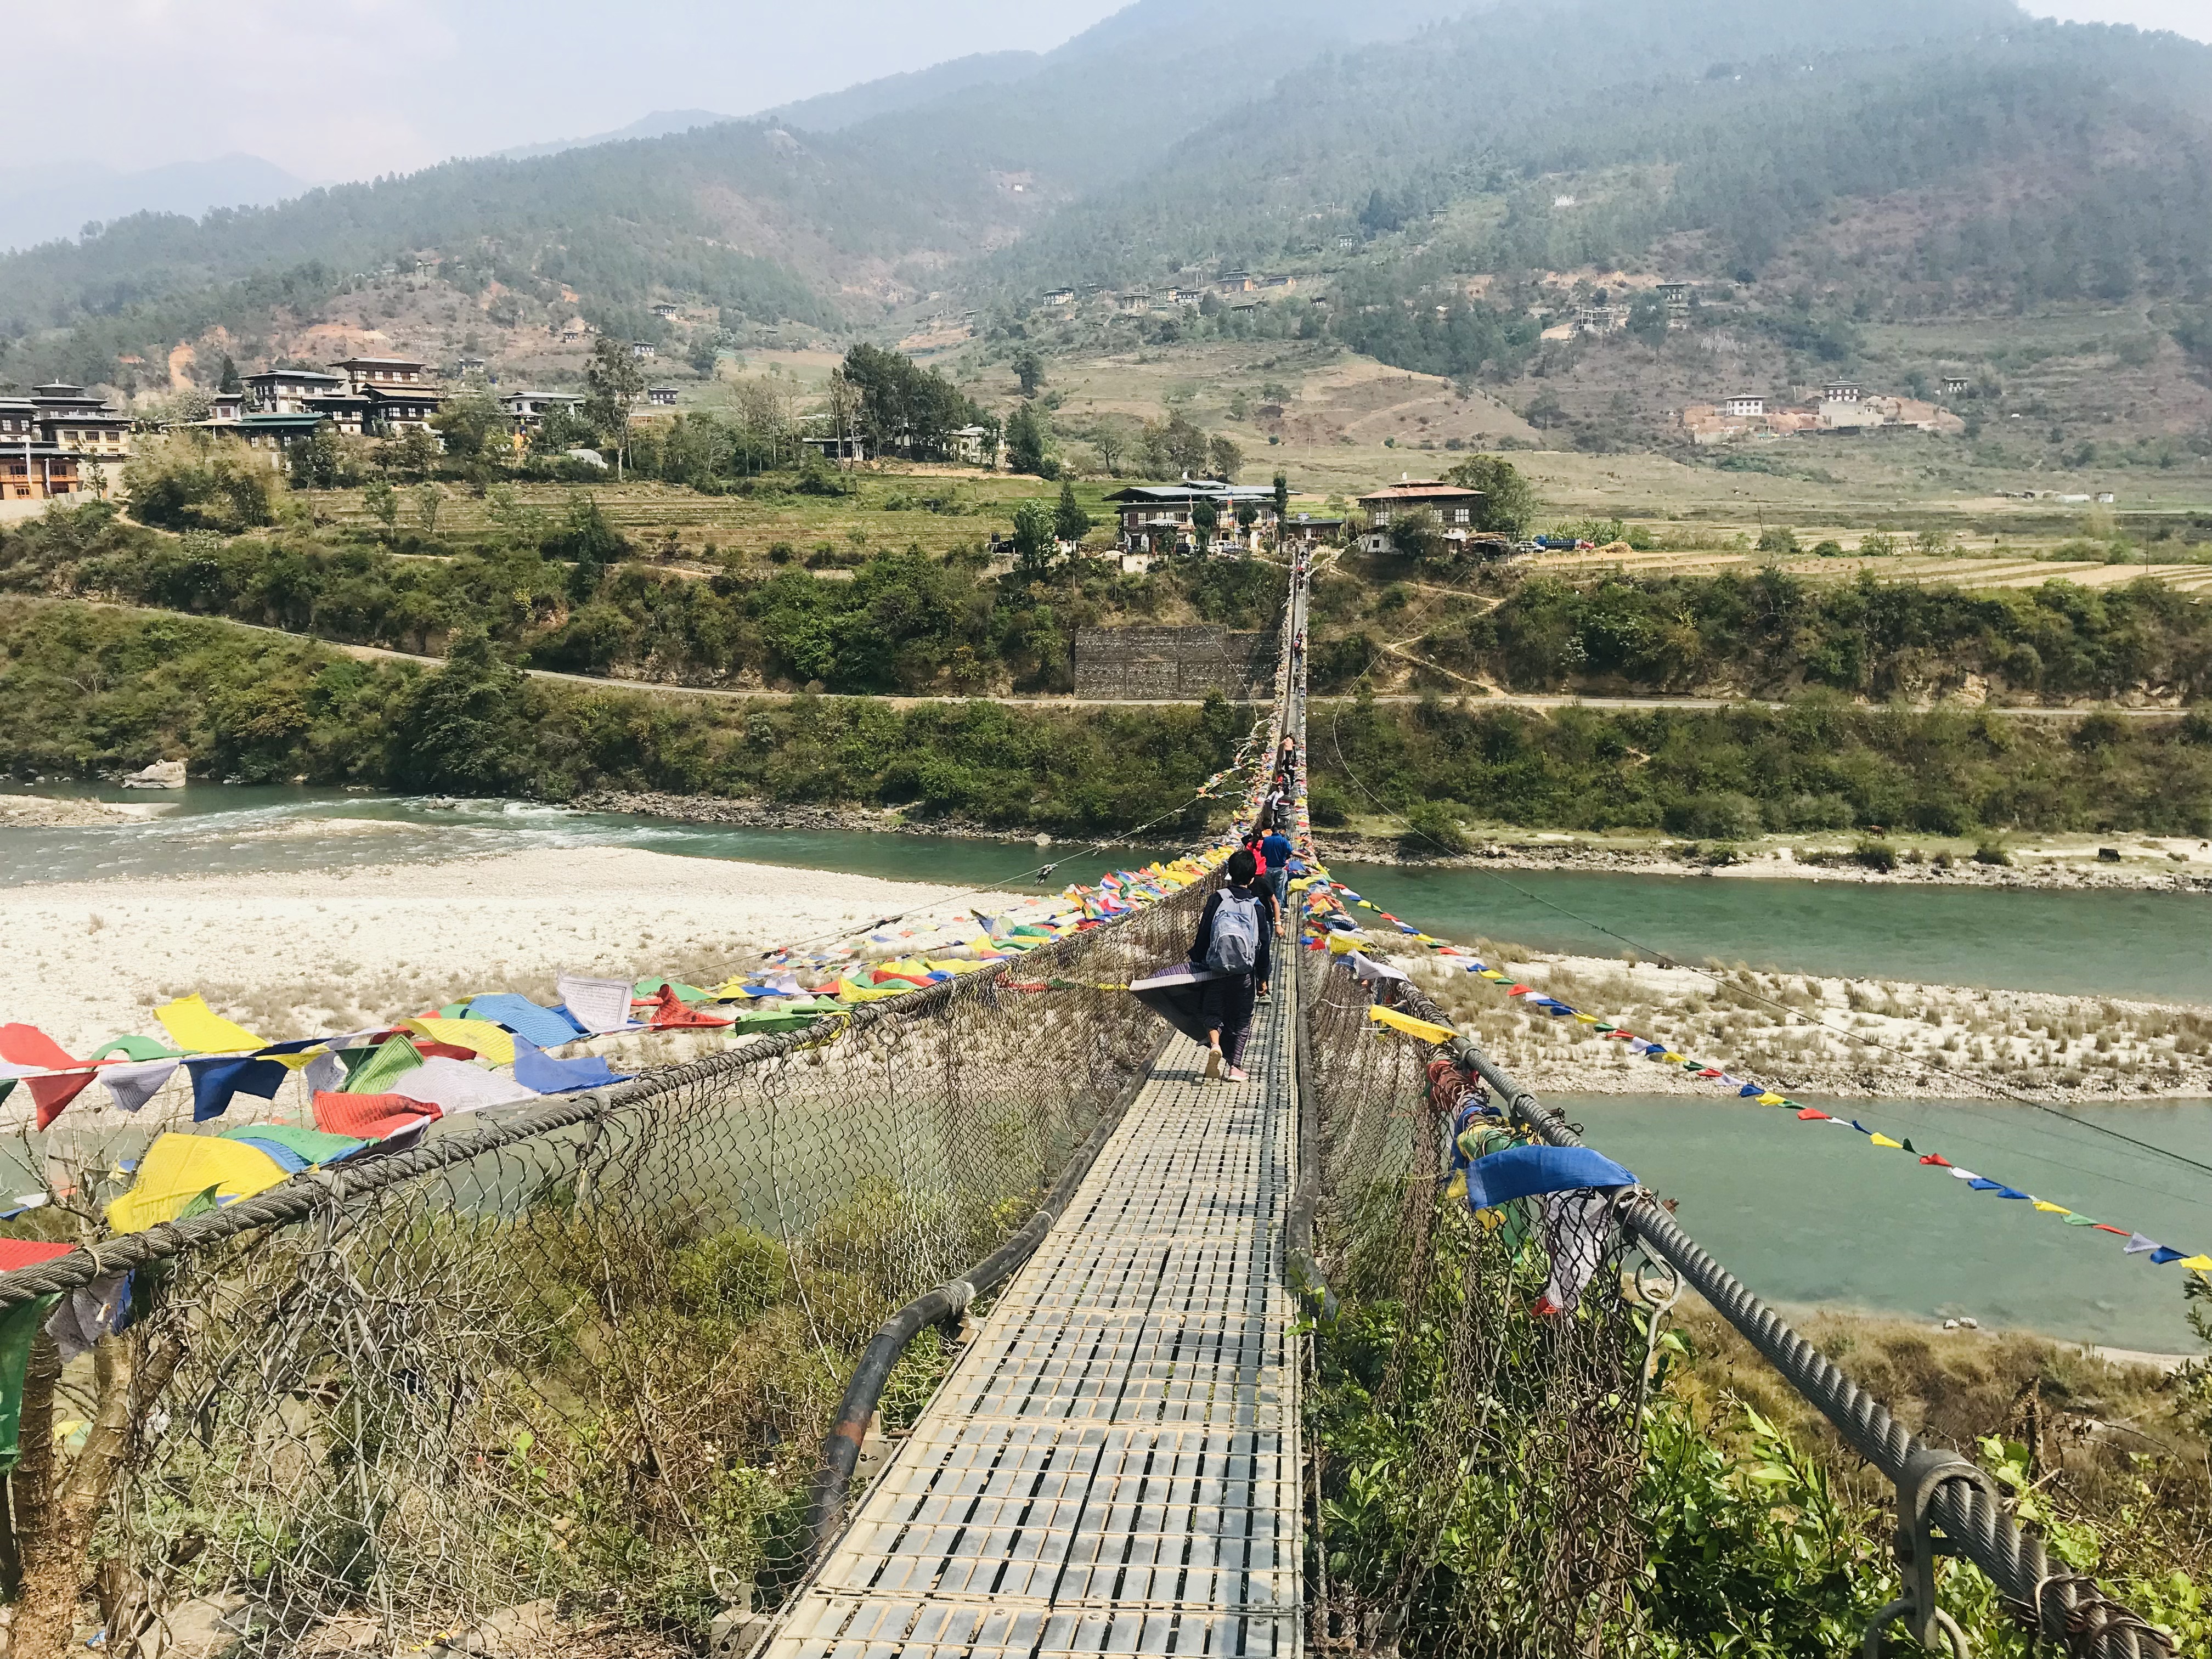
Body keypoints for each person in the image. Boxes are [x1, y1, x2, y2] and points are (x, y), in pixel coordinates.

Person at [1190, 848, 1272, 1082]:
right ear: (1253, 878)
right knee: (1241, 1018)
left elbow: (1204, 933)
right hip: (1245, 973)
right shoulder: (1257, 906)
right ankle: (1235, 1068)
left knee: (1212, 1011)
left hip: (1216, 968)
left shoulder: (1218, 898)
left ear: (1229, 874)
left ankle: (1215, 1044)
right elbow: (1263, 945)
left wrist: (1198, 961)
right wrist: (1263, 978)